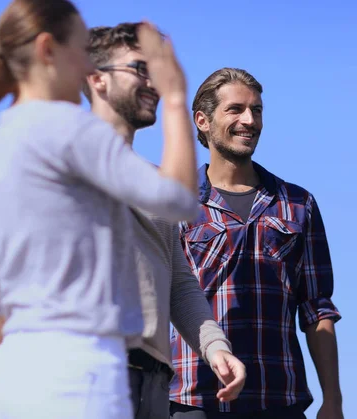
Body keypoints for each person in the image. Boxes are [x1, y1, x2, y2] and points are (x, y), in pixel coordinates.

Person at [0, 1, 198, 417]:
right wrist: (175, 97)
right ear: (49, 50)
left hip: (10, 380)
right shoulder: (71, 128)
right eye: (80, 49)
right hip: (80, 376)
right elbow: (178, 199)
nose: (88, 62)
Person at [83, 23, 246, 419]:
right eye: (141, 68)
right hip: (91, 369)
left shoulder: (152, 180)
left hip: (152, 379)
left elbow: (177, 282)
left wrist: (215, 347)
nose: (154, 82)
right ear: (97, 80)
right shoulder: (69, 161)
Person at [169, 68, 344, 419]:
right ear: (202, 120)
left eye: (257, 110)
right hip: (194, 399)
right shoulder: (173, 201)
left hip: (278, 399)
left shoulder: (296, 203)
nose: (249, 120)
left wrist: (333, 400)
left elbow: (316, 308)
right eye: (235, 109)